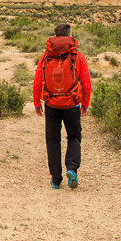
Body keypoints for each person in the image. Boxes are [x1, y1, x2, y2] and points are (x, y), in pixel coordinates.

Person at [32, 23, 92, 189]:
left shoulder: (46, 57)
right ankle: (72, 169)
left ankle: (56, 179)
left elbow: (37, 81)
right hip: (72, 104)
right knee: (74, 137)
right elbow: (86, 82)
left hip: (51, 103)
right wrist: (85, 104)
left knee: (52, 141)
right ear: (70, 35)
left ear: (55, 36)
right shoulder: (78, 56)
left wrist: (37, 103)